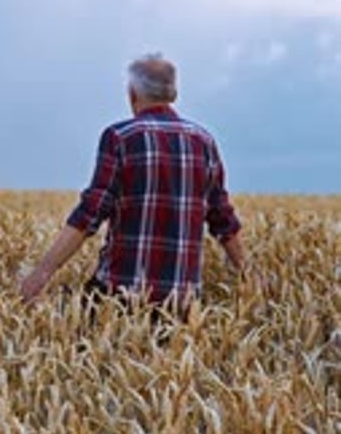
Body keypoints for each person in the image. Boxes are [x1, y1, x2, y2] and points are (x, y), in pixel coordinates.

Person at [20, 54, 245, 313]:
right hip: (183, 306)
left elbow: (90, 213)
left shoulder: (120, 137)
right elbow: (222, 219)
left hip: (119, 298)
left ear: (132, 92)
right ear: (174, 93)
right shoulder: (203, 141)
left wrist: (42, 272)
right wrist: (250, 275)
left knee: (54, 327)